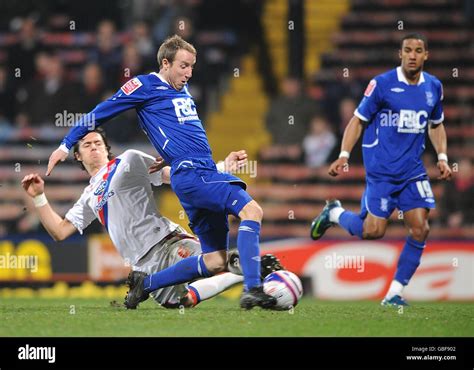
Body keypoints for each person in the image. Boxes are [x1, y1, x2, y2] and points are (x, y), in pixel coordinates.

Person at [45, 35, 277, 310]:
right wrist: (66, 144)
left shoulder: (183, 91)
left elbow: (183, 138)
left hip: (196, 173)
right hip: (192, 175)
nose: (189, 73)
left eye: (192, 66)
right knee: (253, 212)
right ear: (165, 63)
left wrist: (221, 166)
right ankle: (253, 288)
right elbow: (101, 111)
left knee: (215, 259)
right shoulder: (144, 85)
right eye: (183, 66)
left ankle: (147, 284)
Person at [22, 128, 282, 309]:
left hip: (167, 241)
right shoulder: (89, 196)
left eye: (98, 143)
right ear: (77, 155)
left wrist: (222, 167)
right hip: (142, 264)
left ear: (106, 148)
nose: (93, 147)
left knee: (214, 261)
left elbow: (175, 176)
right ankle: (248, 268)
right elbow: (59, 231)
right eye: (86, 145)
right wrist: (38, 197)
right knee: (179, 302)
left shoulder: (128, 161)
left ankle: (249, 270)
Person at [309, 33, 452, 307]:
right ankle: (335, 213)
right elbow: (358, 120)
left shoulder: (433, 87)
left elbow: (436, 124)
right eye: (407, 50)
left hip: (413, 171)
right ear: (400, 54)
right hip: (382, 172)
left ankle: (394, 293)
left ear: (426, 55)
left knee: (420, 229)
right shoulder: (382, 84)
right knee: (373, 231)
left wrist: (443, 157)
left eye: (418, 50)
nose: (412, 55)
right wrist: (343, 155)